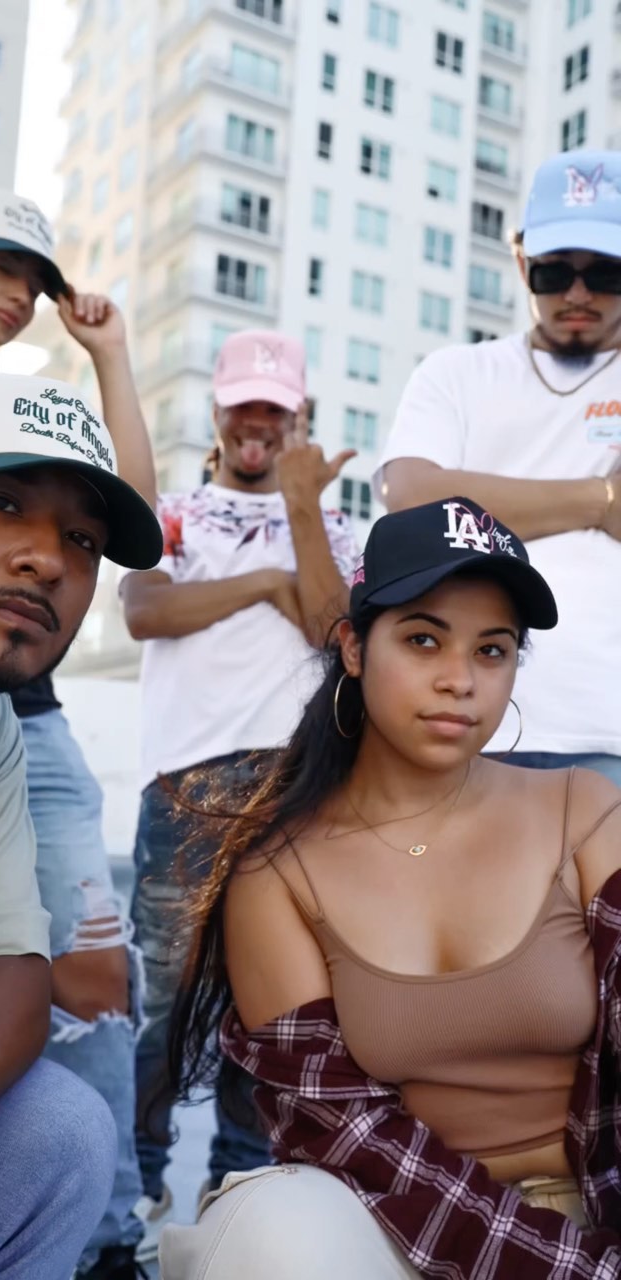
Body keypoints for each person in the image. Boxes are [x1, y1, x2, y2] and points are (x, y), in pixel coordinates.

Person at [158, 496, 621, 1279]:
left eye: (492, 650)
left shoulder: (584, 813)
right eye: (423, 639)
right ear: (353, 647)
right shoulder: (278, 874)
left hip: (597, 1209)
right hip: (392, 1232)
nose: (459, 681)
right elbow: (351, 1139)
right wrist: (581, 1271)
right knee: (272, 1232)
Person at [0, 187, 156, 1278]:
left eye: (79, 540)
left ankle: (114, 1244)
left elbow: (7, 966)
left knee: (63, 1113)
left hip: (12, 720)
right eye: (2, 504)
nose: (49, 557)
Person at [119, 328, 359, 1259]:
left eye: (276, 409)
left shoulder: (334, 528)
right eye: (243, 405)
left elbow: (333, 632)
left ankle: (239, 1188)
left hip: (295, 788)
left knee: (271, 1008)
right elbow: (146, 609)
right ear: (217, 411)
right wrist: (262, 579)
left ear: (301, 418)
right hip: (185, 788)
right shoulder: (174, 514)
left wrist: (302, 510)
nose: (257, 422)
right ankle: (135, 1185)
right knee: (164, 1005)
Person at [376, 147, 621, 785]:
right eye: (553, 272)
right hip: (462, 723)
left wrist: (472, 498)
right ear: (520, 262)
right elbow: (411, 498)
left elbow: (440, 504)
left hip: (609, 731)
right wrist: (599, 500)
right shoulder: (456, 373)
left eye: (605, 273)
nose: (577, 293)